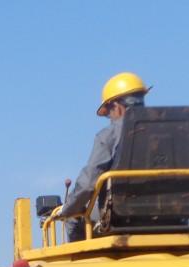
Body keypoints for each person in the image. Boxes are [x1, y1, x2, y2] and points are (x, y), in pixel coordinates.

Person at [63, 72, 151, 241]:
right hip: (171, 215)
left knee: (73, 219)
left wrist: (67, 209)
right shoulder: (177, 130)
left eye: (109, 113)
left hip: (122, 215)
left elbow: (88, 184)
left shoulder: (109, 135)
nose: (110, 119)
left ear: (116, 106)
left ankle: (83, 262)